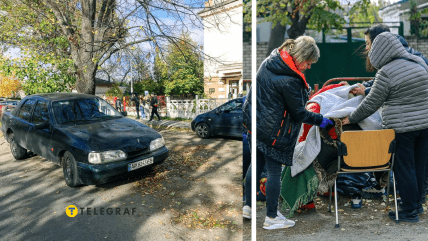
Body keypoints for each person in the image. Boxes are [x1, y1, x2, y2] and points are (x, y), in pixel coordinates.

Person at [242, 36, 334, 230]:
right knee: (274, 171)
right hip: (273, 132)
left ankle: (247, 206)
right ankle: (271, 217)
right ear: (300, 56)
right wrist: (322, 120)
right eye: (308, 63)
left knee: (255, 166)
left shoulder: (271, 60)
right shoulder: (290, 79)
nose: (309, 67)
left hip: (255, 125)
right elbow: (299, 113)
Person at [342, 32, 428, 222]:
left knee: (405, 169)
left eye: (371, 48)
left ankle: (409, 211)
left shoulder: (387, 72)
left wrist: (352, 118)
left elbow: (372, 102)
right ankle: (418, 205)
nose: (369, 51)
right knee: (420, 167)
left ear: (380, 51)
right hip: (424, 126)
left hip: (402, 129)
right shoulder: (418, 63)